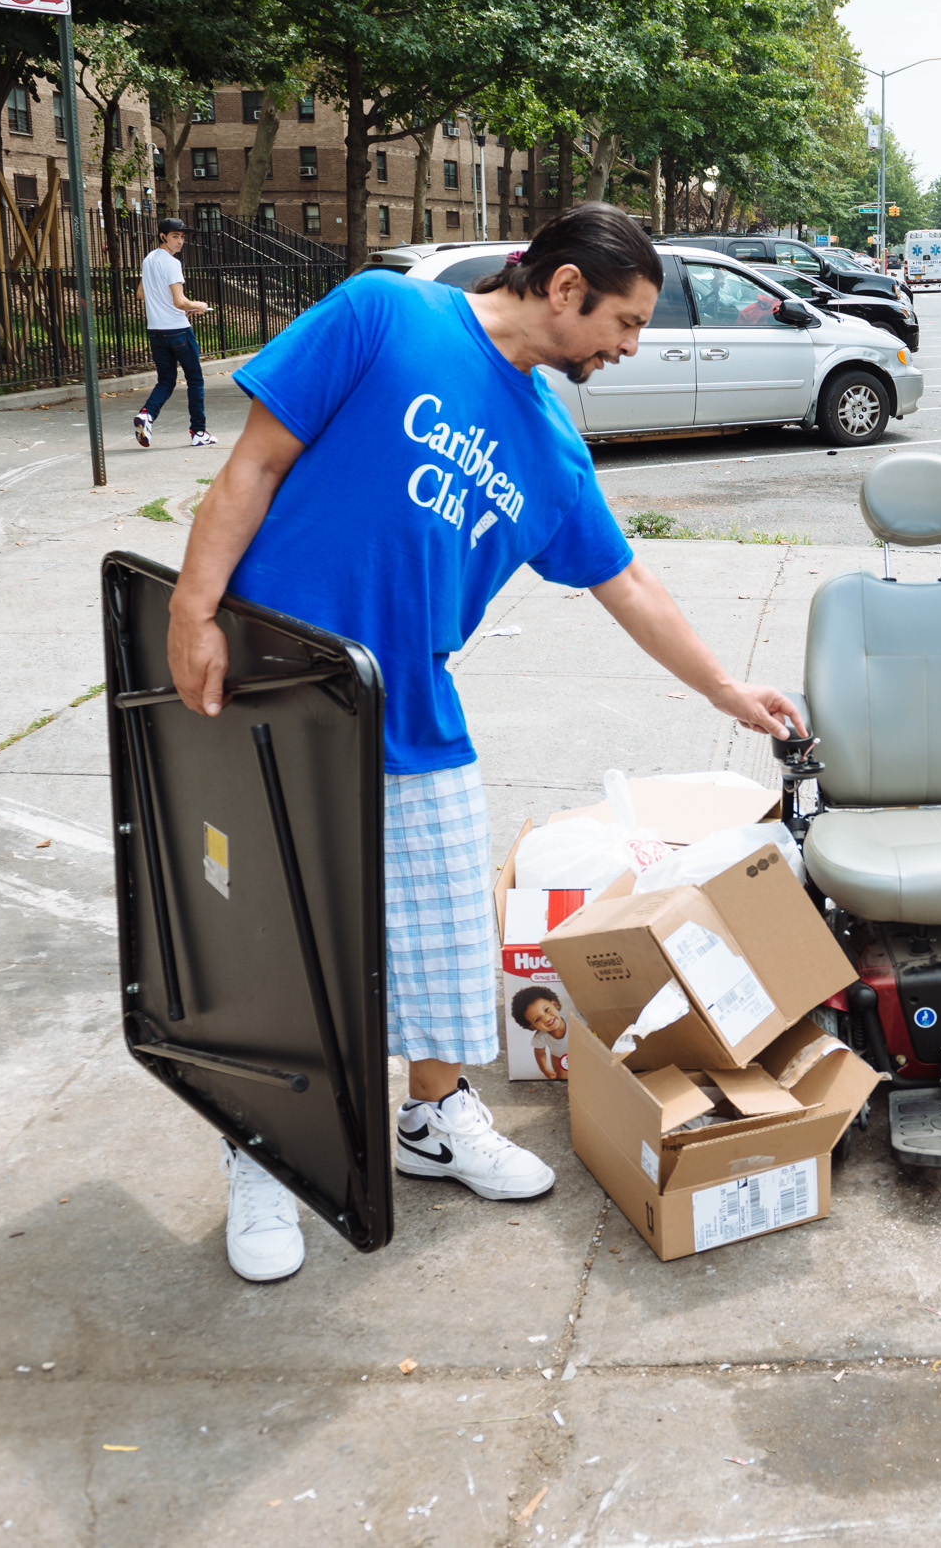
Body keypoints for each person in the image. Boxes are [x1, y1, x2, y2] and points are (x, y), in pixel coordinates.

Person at [166, 203, 799, 1283]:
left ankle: (433, 1115)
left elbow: (628, 582)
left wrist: (727, 688)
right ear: (562, 287)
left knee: (444, 936)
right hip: (279, 687)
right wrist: (192, 608)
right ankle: (263, 1145)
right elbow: (256, 466)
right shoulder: (383, 315)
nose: (631, 345)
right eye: (627, 320)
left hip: (410, 705)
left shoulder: (549, 442)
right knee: (277, 944)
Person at [135, 218, 216, 447]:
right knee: (195, 380)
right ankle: (199, 432)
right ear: (163, 236)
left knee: (166, 380)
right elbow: (180, 302)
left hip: (155, 330)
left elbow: (141, 294)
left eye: (182, 237)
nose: (180, 241)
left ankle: (146, 415)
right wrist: (197, 305)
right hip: (178, 330)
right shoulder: (172, 263)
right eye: (174, 237)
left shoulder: (149, 259)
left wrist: (172, 306)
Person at [510, 984, 570, 1080]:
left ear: (555, 1005)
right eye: (537, 1019)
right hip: (559, 1057)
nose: (546, 1019)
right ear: (532, 1026)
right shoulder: (541, 1037)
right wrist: (545, 1069)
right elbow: (540, 1053)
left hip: (583, 1051)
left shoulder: (573, 1018)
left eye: (546, 1010)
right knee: (562, 1078)